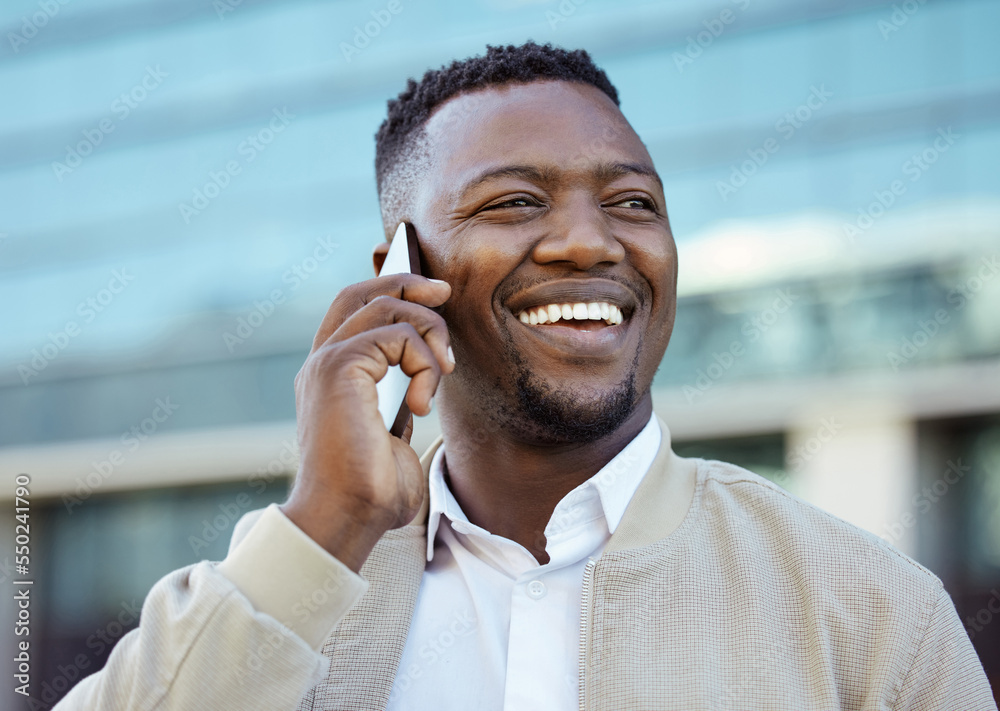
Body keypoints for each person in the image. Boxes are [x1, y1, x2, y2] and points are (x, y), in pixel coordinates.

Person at [55, 42, 995, 711]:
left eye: (633, 202)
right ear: (402, 269)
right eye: (514, 201)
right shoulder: (283, 590)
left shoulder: (870, 607)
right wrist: (327, 523)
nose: (591, 240)